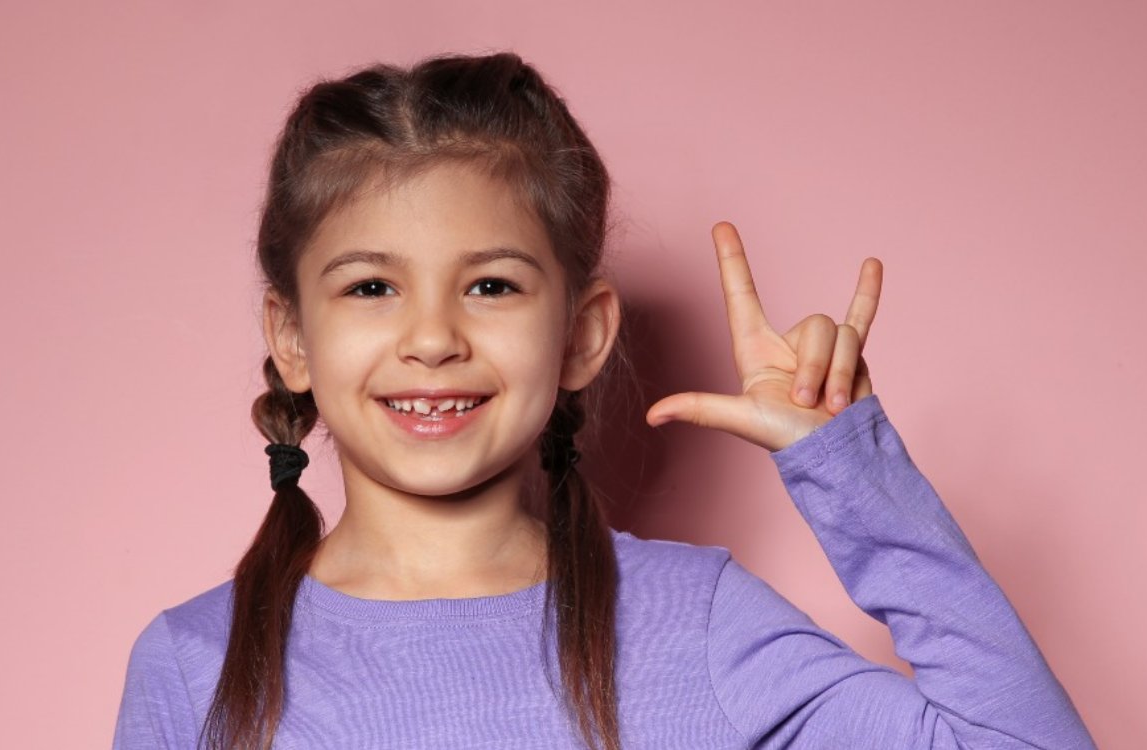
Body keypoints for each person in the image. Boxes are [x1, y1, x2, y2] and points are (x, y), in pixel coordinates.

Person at [112, 51, 1097, 750]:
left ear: (582, 334)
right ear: (289, 337)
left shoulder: (693, 625)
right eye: (371, 286)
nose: (430, 337)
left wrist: (847, 468)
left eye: (490, 285)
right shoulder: (191, 664)